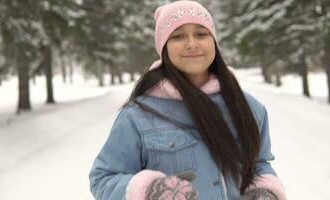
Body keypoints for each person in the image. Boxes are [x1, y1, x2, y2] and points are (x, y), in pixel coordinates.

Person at [89, 1, 286, 200]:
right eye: (178, 36)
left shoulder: (248, 107)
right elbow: (103, 178)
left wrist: (265, 192)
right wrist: (151, 191)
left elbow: (259, 164)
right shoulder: (138, 116)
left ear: (214, 42)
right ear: (164, 48)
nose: (192, 44)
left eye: (201, 34)